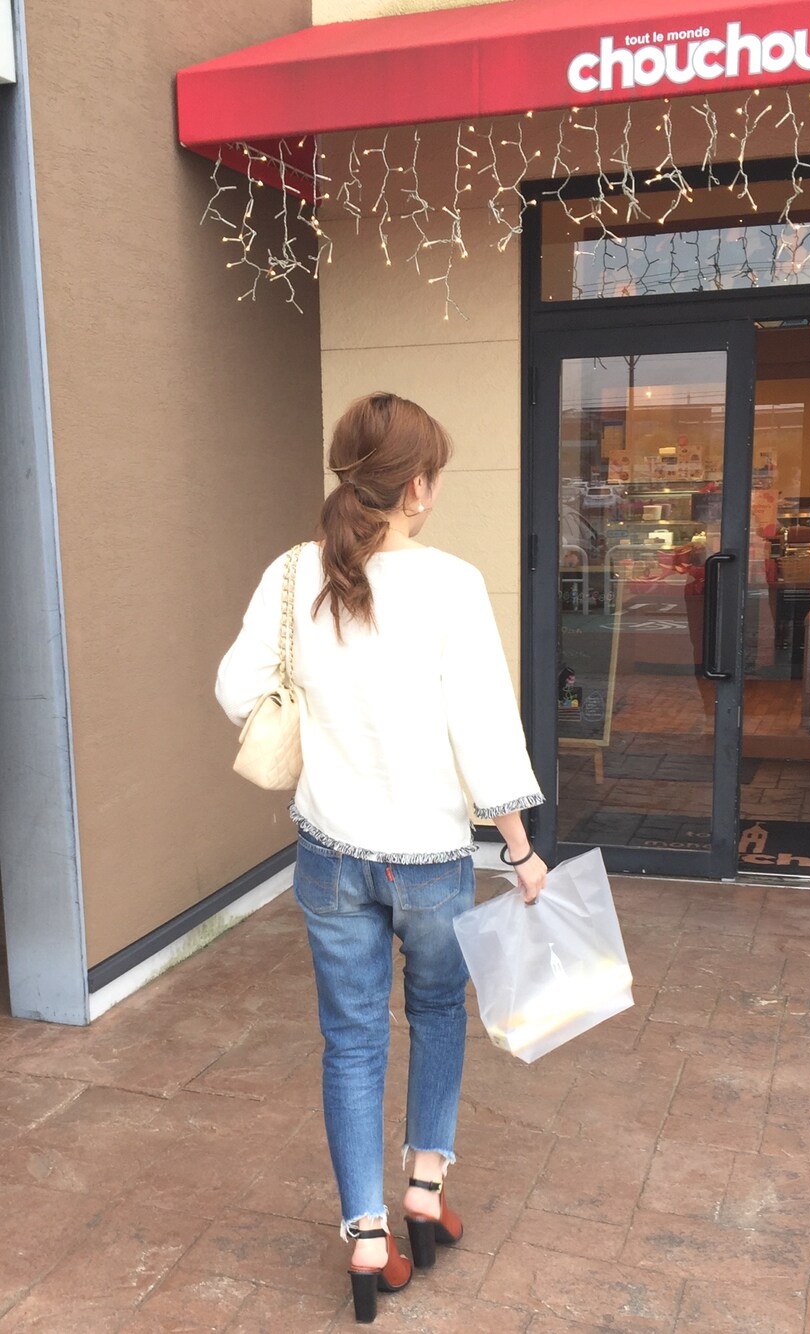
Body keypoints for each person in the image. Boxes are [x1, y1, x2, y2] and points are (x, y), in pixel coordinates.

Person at [215, 391, 546, 1323]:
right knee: (437, 1011)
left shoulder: (295, 572)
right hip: (433, 860)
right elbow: (484, 729)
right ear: (417, 487)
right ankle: (425, 1191)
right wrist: (520, 849)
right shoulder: (452, 584)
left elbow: (236, 686)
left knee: (352, 1039)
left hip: (329, 854)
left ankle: (366, 1236)